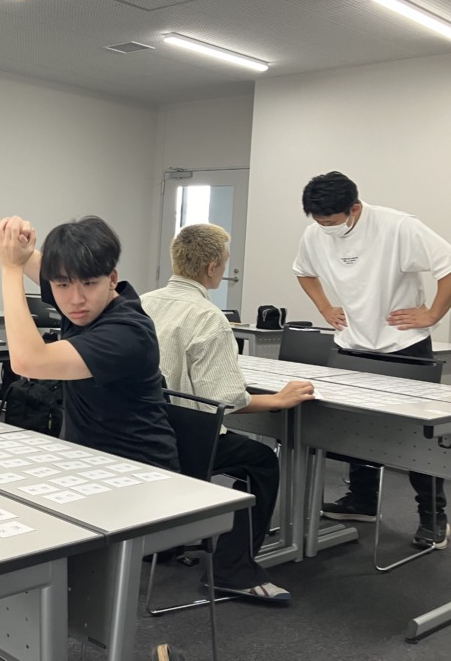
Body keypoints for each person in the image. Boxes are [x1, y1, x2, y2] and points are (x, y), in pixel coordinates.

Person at [141, 224, 315, 602]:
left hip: (139, 436)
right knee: (262, 461)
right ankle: (232, 570)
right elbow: (225, 400)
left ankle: (163, 543)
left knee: (244, 452)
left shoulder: (141, 303)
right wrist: (279, 400)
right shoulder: (208, 316)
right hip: (181, 441)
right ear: (212, 268)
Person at [294, 170, 451, 548]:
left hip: (404, 347)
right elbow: (304, 272)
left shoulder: (399, 227)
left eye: (331, 221)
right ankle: (362, 500)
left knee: (418, 438)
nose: (325, 228)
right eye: (319, 221)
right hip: (353, 346)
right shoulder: (315, 233)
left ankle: (434, 516)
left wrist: (432, 314)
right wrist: (326, 308)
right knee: (357, 429)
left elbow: (448, 267)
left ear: (354, 208)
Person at [0, 215, 179, 472]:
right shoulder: (88, 304)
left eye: (89, 283)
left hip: (139, 470)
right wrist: (16, 243)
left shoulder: (128, 332)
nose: (76, 299)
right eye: (63, 285)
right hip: (86, 461)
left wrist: (10, 268)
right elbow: (41, 263)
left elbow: (28, 362)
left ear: (112, 279)